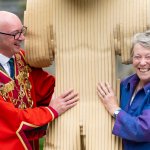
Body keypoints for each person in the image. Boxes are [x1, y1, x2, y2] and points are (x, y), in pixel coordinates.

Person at [0, 11, 79, 150]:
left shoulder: (22, 58)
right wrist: (51, 111)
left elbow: (47, 88)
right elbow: (12, 118)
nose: (22, 37)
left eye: (22, 31)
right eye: (15, 33)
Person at [97, 30, 150, 150]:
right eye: (137, 57)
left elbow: (144, 129)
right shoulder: (125, 85)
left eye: (148, 57)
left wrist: (115, 109)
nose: (142, 62)